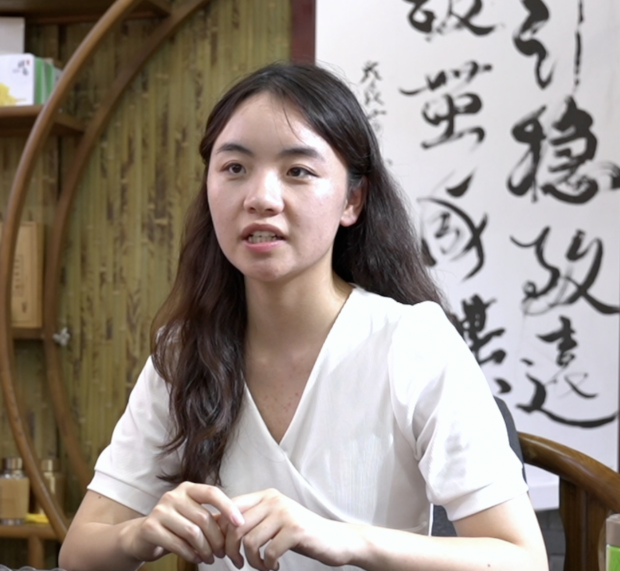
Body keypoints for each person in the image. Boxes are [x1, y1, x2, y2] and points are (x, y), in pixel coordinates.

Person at [58, 62, 548, 571]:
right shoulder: (184, 352)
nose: (260, 199)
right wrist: (137, 535)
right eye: (235, 168)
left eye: (298, 171)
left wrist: (346, 540)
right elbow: (78, 554)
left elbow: (522, 559)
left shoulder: (412, 341)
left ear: (352, 200)